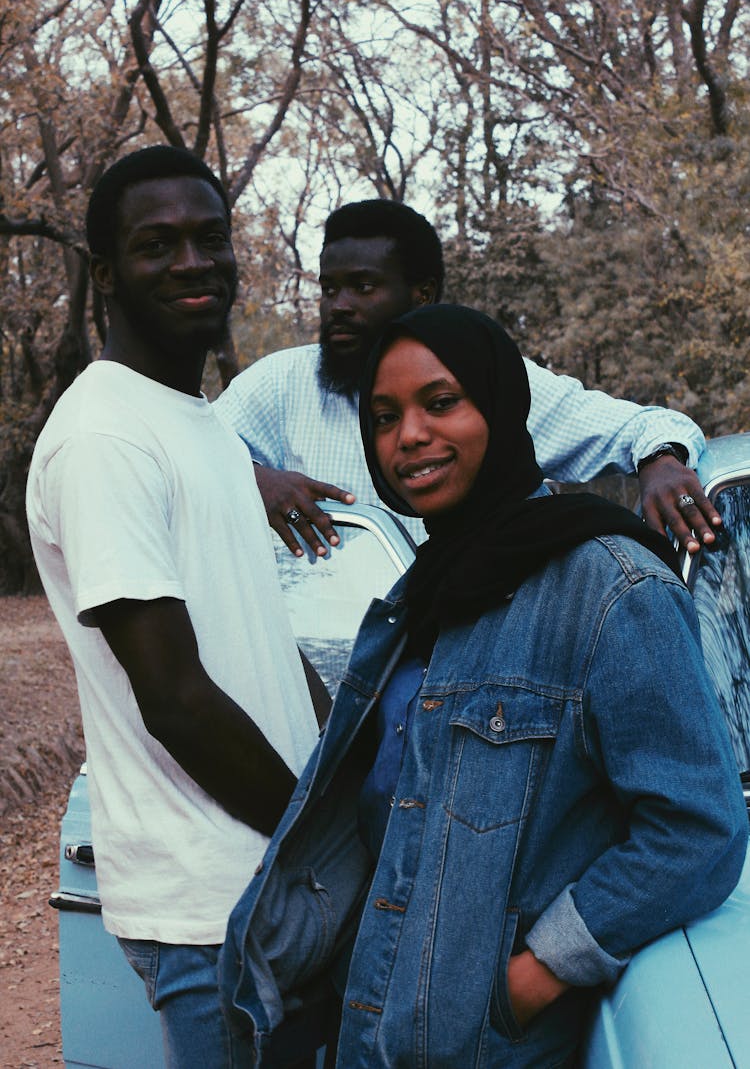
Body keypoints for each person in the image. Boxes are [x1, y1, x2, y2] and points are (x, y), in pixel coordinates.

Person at [219, 304, 747, 1068]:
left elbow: (698, 828)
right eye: (385, 415)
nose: (409, 436)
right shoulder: (422, 592)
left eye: (441, 403)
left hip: (488, 1048)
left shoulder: (609, 585)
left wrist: (533, 976)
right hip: (372, 1027)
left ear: (499, 405)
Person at [26, 146, 324, 1068]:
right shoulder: (106, 437)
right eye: (159, 245)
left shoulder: (196, 421)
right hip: (216, 908)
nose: (195, 262)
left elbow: (260, 648)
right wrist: (319, 835)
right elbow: (174, 694)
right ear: (108, 276)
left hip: (263, 885)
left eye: (211, 237)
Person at [214, 199, 720, 558]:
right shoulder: (282, 384)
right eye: (329, 289)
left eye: (362, 287)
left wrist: (661, 461)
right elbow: (183, 457)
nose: (338, 306)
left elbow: (641, 427)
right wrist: (253, 479)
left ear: (422, 295)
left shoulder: (486, 379)